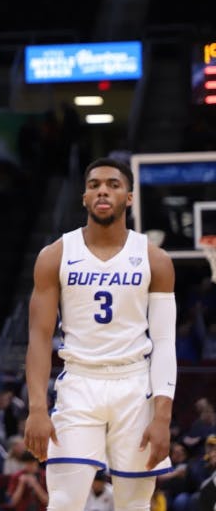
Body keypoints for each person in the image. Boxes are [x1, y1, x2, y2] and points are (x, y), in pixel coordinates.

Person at [25, 157, 177, 510]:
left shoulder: (155, 259)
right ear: (84, 198)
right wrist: (36, 408)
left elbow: (166, 342)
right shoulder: (55, 256)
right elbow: (39, 337)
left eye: (112, 184)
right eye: (94, 185)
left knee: (134, 505)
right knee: (63, 501)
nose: (103, 190)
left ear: (128, 197)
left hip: (135, 386)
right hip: (78, 383)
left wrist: (162, 416)